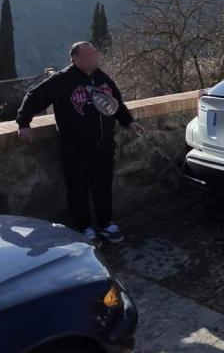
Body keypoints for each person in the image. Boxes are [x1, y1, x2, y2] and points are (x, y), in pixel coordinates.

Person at [16, 41, 144, 244]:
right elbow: (33, 96)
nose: (95, 57)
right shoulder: (62, 80)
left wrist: (129, 121)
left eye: (95, 54)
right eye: (90, 55)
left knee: (103, 185)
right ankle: (83, 228)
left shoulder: (102, 77)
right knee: (78, 188)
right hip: (75, 147)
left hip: (103, 144)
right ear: (75, 59)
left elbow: (115, 102)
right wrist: (24, 123)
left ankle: (106, 224)